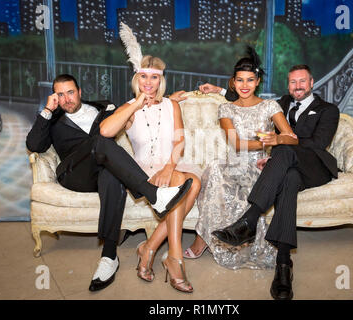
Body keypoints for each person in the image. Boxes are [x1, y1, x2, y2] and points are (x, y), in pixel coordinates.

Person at [26, 74, 193, 292]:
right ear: (55, 97)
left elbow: (135, 108)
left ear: (80, 92)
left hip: (102, 171)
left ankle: (109, 256)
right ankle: (153, 194)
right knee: (101, 139)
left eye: (70, 92)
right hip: (74, 174)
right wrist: (48, 110)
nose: (66, 99)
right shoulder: (54, 120)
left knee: (112, 174)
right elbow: (34, 144)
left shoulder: (103, 107)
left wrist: (168, 99)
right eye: (60, 94)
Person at [211, 64, 340, 300]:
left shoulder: (328, 110)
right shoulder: (279, 103)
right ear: (288, 85)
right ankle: (283, 265)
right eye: (293, 82)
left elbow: (317, 144)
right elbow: (245, 100)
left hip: (316, 166)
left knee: (283, 150)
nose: (297, 86)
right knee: (288, 179)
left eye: (302, 81)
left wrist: (279, 142)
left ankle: (249, 220)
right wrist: (217, 90)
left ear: (312, 83)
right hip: (290, 168)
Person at [184, 47, 298, 271]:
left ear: (257, 82)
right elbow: (236, 144)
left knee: (220, 171)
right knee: (215, 169)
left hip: (260, 167)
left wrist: (277, 140)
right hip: (233, 163)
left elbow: (292, 140)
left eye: (250, 80)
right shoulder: (226, 108)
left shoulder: (270, 106)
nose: (244, 85)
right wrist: (270, 141)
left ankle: (213, 238)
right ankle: (205, 238)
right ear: (233, 83)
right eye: (240, 80)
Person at [100, 53, 202, 293]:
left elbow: (179, 142)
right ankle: (175, 260)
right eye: (143, 76)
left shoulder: (172, 105)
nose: (148, 82)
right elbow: (105, 131)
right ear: (136, 78)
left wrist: (169, 166)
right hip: (143, 170)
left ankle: (149, 248)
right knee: (185, 183)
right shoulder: (129, 107)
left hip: (171, 164)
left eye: (154, 77)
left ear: (161, 80)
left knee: (194, 181)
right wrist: (136, 103)